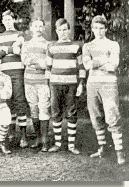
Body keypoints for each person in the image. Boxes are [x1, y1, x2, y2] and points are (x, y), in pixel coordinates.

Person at [82, 15, 125, 165]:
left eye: (101, 28)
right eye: (96, 28)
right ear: (92, 29)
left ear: (106, 28)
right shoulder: (87, 46)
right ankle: (102, 148)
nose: (99, 31)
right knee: (96, 116)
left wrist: (96, 63)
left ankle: (120, 152)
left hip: (108, 84)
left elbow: (113, 65)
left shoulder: (113, 44)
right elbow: (87, 65)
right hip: (93, 83)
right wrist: (104, 61)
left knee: (112, 115)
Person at [46, 18, 85, 155]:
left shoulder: (76, 47)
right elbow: (48, 68)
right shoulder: (51, 47)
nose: (62, 32)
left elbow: (81, 67)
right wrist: (47, 86)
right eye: (60, 30)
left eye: (65, 29)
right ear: (56, 31)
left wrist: (81, 84)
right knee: (56, 113)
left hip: (71, 84)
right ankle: (57, 143)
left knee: (71, 113)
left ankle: (71, 145)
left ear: (69, 30)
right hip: (55, 84)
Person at [0, 10, 29, 148]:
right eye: (5, 20)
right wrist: (10, 49)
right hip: (4, 74)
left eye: (10, 19)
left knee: (19, 102)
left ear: (14, 20)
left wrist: (5, 51)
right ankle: (11, 134)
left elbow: (18, 50)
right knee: (7, 103)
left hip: (17, 72)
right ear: (2, 21)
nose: (7, 22)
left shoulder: (19, 34)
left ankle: (24, 136)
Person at [21, 19, 50, 152]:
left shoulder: (47, 44)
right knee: (33, 109)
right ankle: (37, 138)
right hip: (29, 81)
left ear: (43, 28)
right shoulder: (26, 44)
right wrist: (39, 62)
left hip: (43, 82)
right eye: (35, 26)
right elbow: (24, 60)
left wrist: (37, 63)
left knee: (43, 108)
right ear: (31, 28)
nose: (38, 28)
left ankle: (44, 140)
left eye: (40, 26)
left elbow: (48, 64)